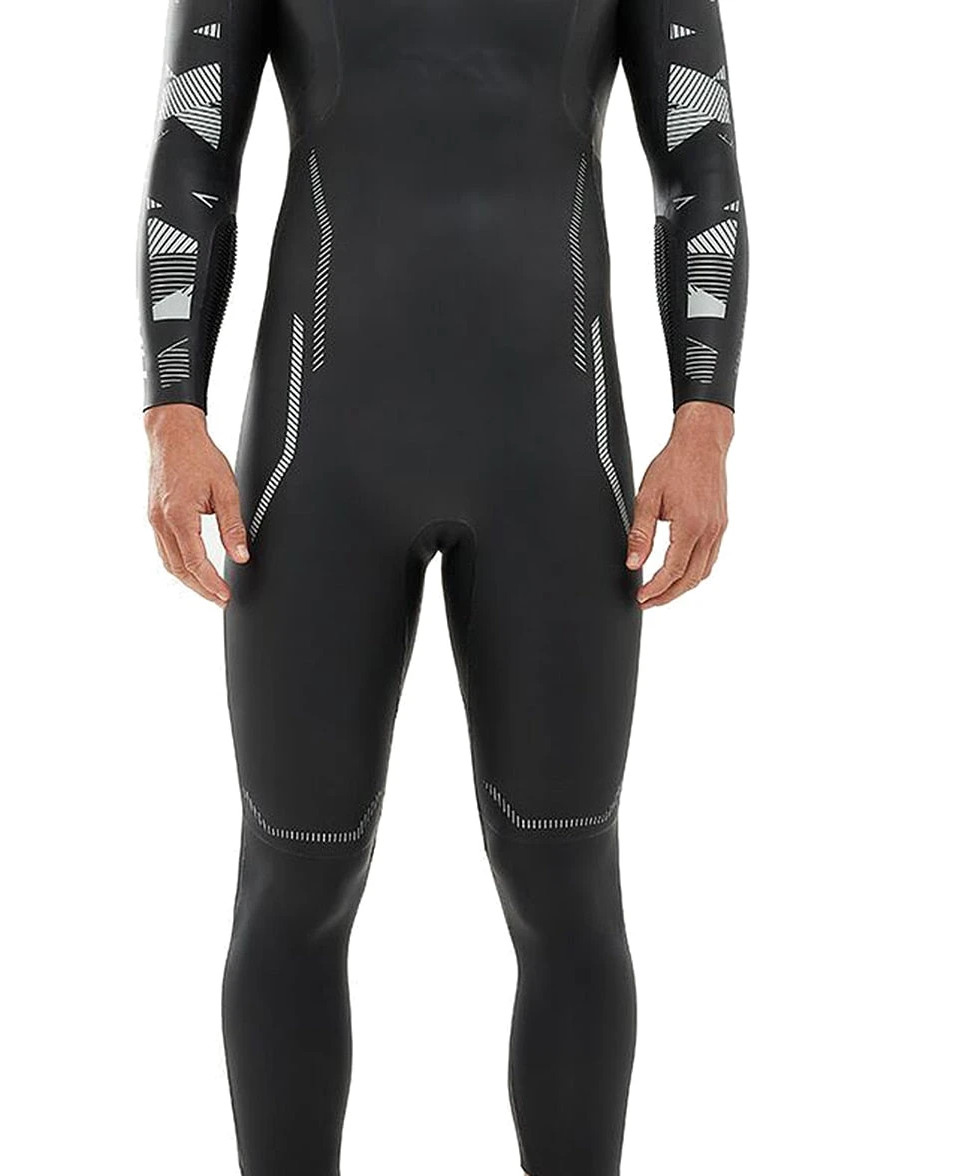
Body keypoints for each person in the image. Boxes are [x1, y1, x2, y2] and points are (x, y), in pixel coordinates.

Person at [139, 0, 746, 1172]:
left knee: (566, 881)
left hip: (556, 462)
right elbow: (192, 154)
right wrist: (173, 411)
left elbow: (701, 165)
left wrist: (705, 420)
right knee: (294, 877)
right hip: (319, 459)